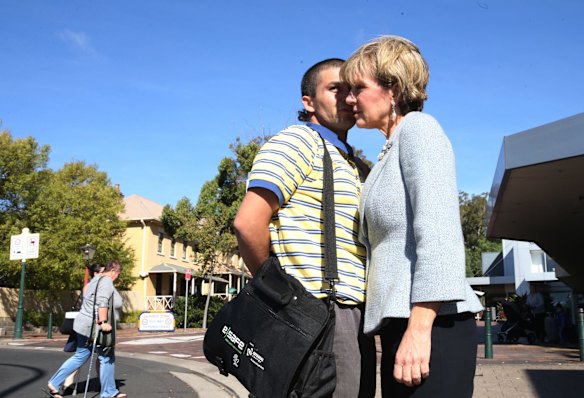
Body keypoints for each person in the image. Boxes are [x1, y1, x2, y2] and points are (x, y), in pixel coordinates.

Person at [340, 36, 483, 397]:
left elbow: (439, 235)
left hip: (432, 325)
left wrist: (419, 330)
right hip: (403, 325)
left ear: (393, 88)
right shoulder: (388, 151)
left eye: (359, 87)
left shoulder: (420, 130)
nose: (350, 99)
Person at [233, 58, 376, 397]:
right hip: (316, 312)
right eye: (335, 89)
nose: (348, 98)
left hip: (351, 314)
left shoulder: (354, 164)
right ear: (308, 101)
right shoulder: (298, 142)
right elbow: (248, 222)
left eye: (353, 90)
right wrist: (281, 296)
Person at [46, 260, 126, 398]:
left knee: (80, 355)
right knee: (107, 357)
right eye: (117, 274)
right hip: (93, 327)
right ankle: (109, 392)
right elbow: (103, 302)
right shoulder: (106, 281)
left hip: (82, 324)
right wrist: (103, 322)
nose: (117, 277)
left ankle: (54, 383)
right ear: (113, 271)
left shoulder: (94, 280)